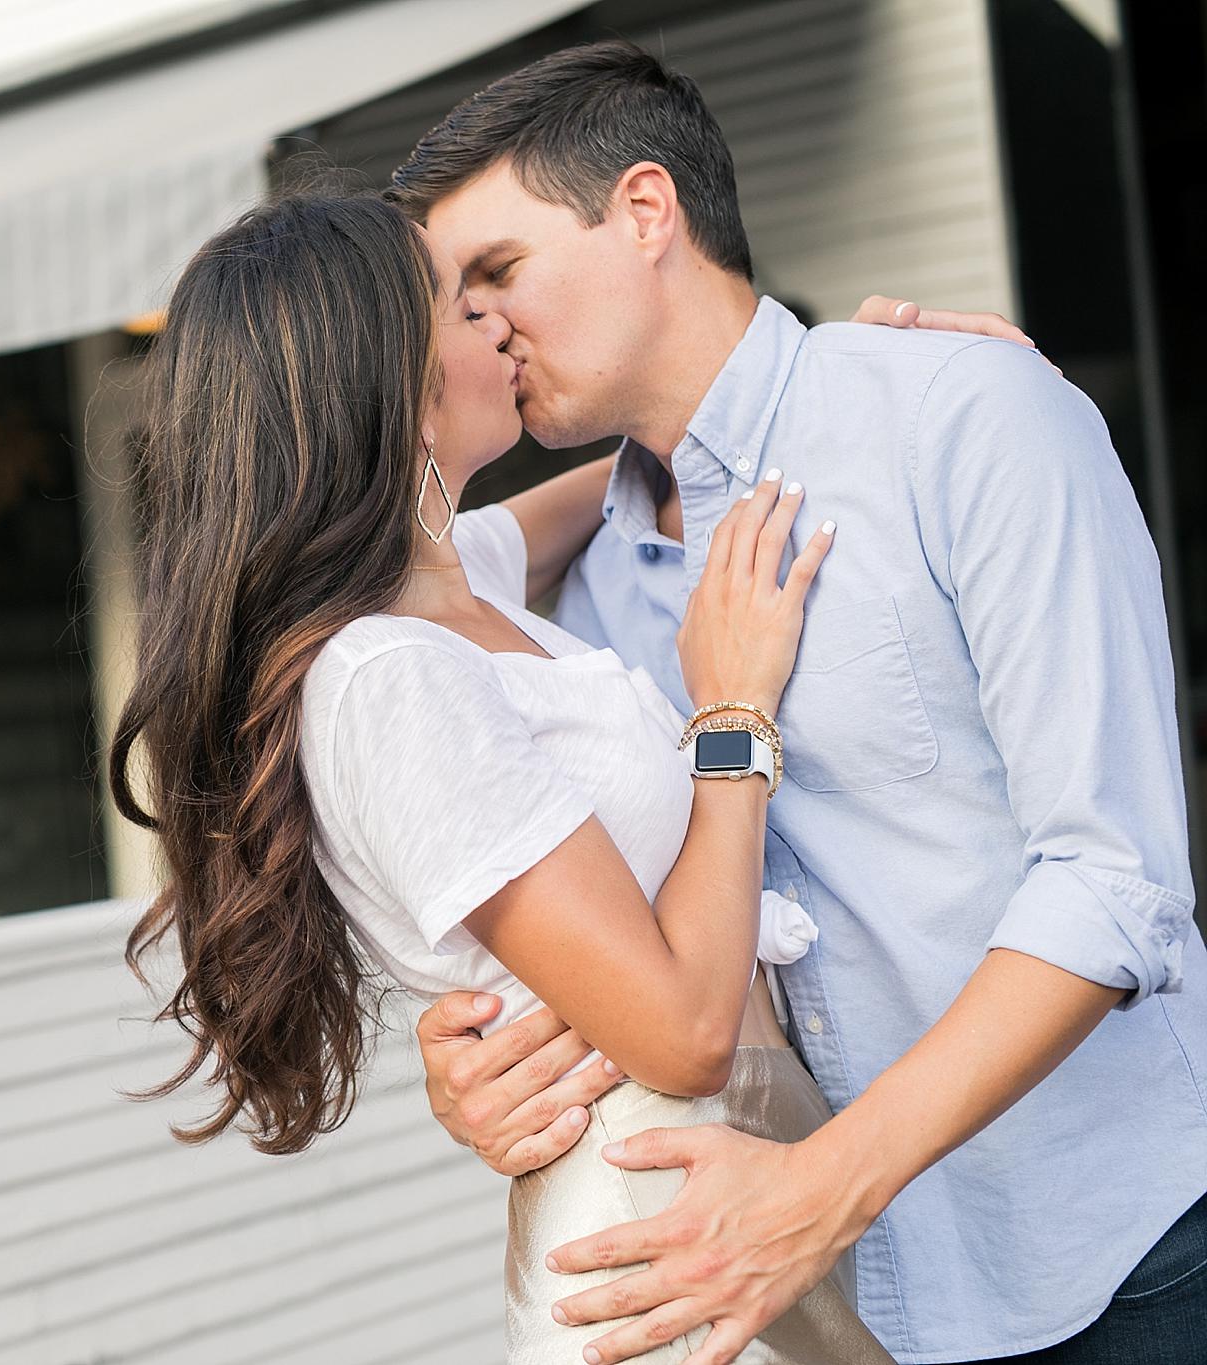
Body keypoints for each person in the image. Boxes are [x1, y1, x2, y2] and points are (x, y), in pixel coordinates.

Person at [107, 179, 1035, 1360]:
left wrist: (848, 386)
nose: (496, 324)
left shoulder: (458, 586)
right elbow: (686, 1030)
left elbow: (637, 469)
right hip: (649, 1222)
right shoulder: (389, 678)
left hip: (726, 1178)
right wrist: (732, 711)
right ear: (384, 382)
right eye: (456, 306)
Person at [391, 40, 1207, 1365]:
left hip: (1135, 1260)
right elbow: (644, 953)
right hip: (864, 1321)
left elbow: (1114, 881)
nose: (481, 330)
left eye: (499, 273)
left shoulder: (962, 417)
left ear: (646, 212)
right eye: (459, 303)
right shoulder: (572, 610)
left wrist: (824, 1188)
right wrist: (479, 1063)